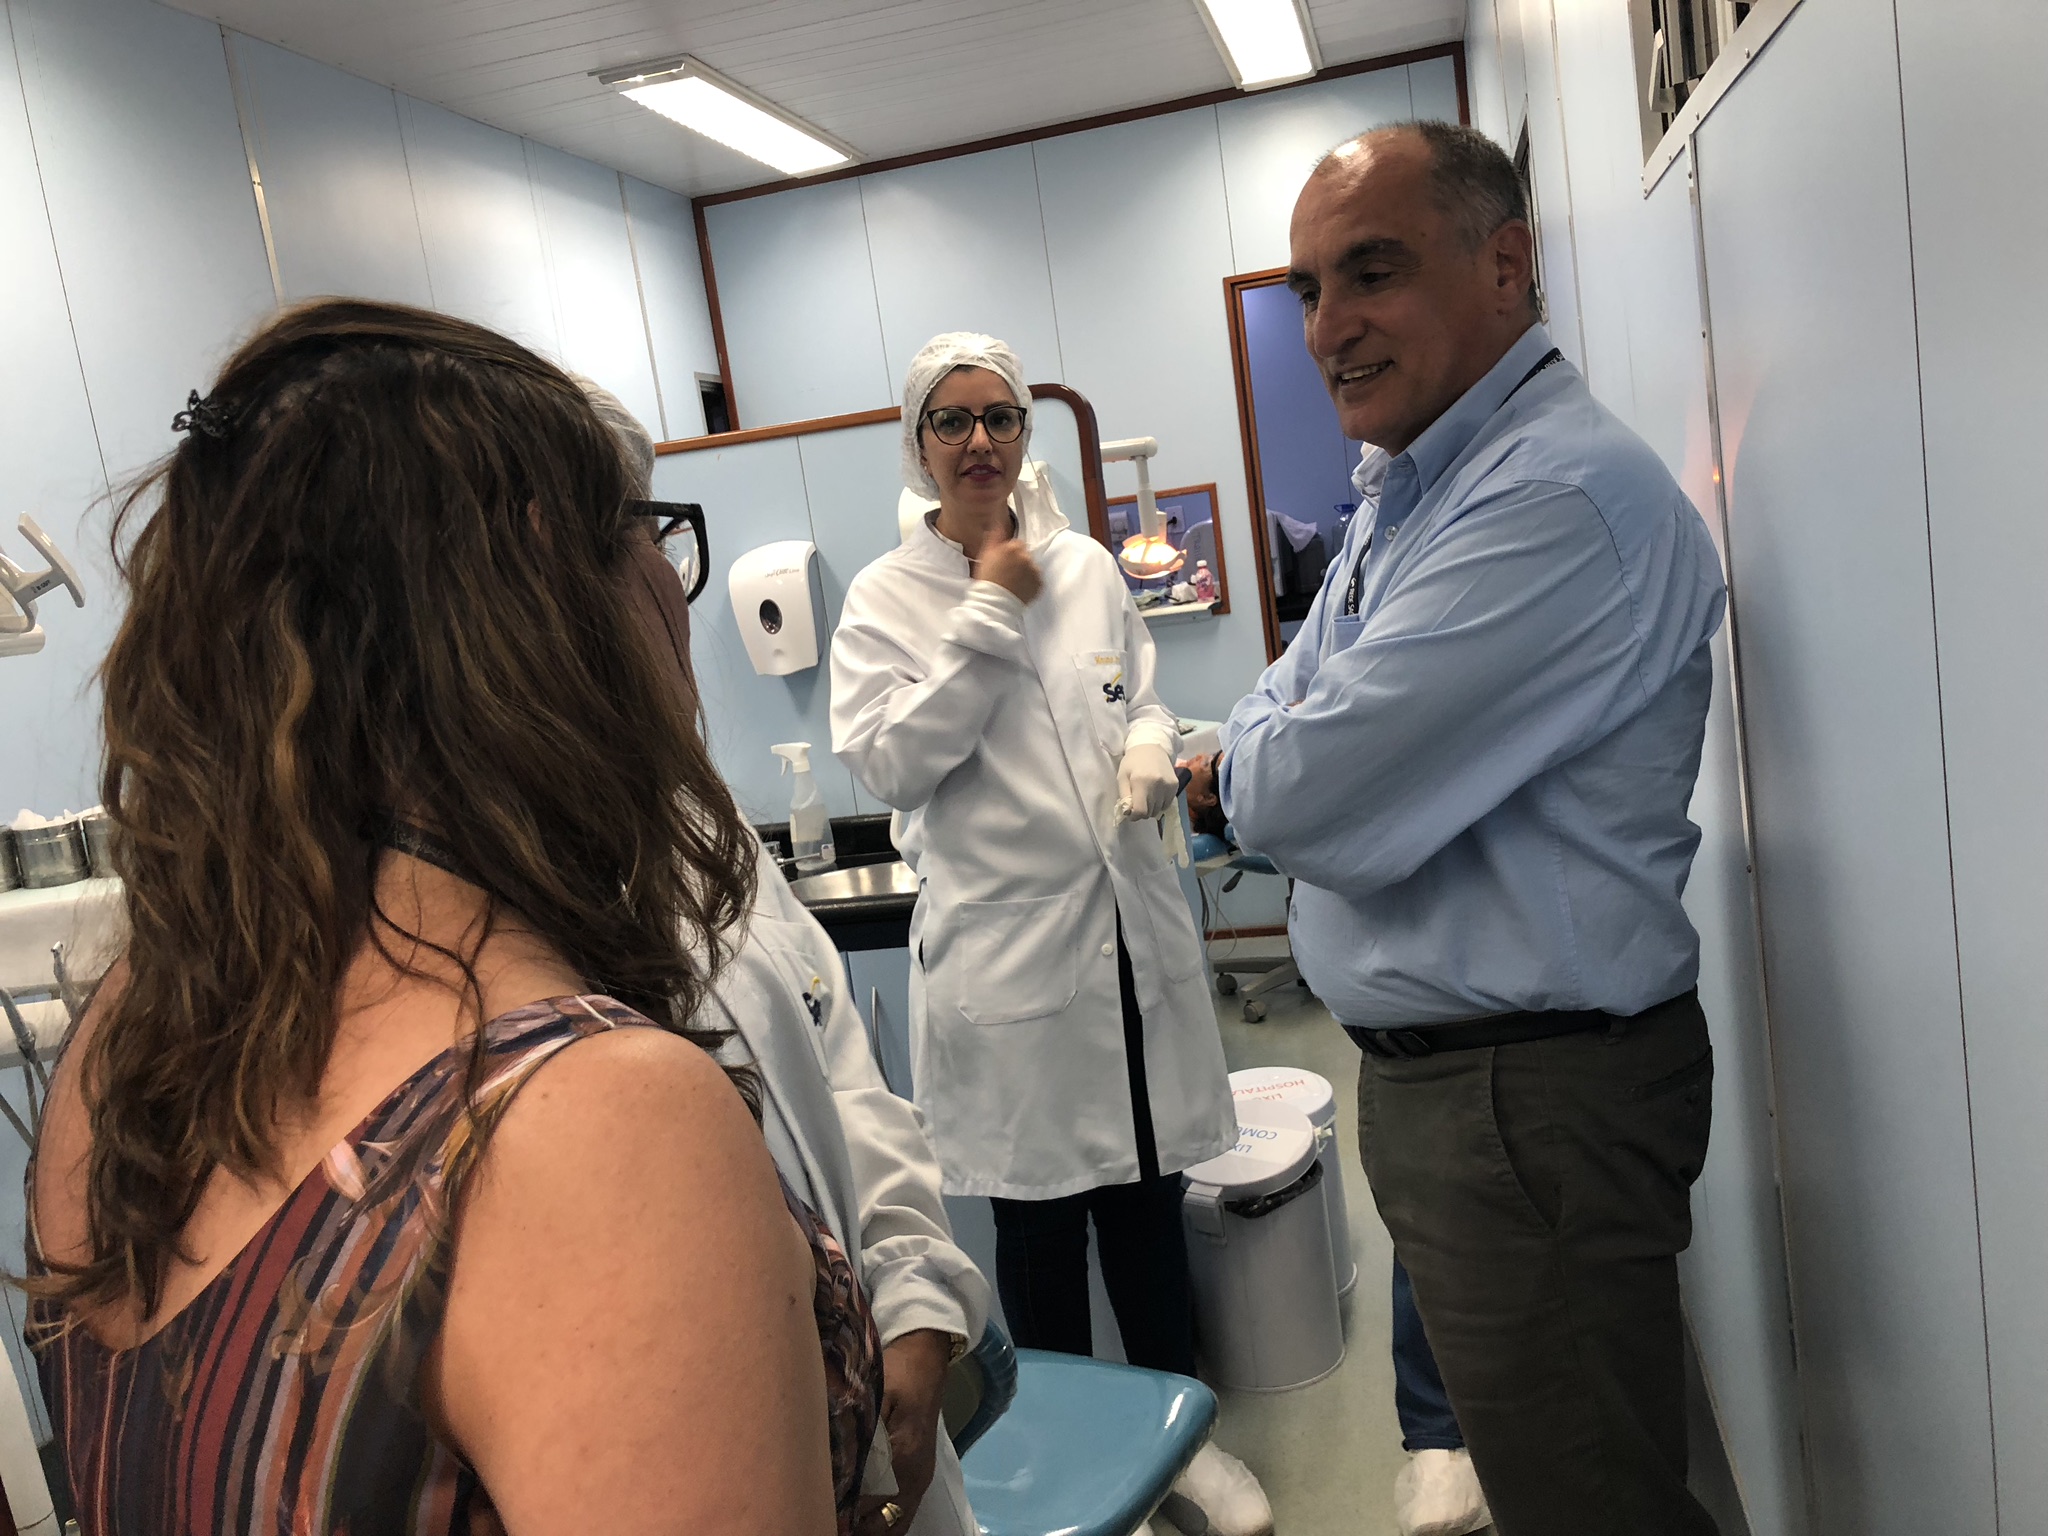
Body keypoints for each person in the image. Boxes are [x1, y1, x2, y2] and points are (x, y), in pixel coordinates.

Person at [26, 300, 875, 1536]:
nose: (671, 586)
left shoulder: (130, 1035)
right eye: (643, 533)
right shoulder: (591, 1124)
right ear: (542, 584)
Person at [1193, 122, 1728, 1535]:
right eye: (1308, 289)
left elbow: (1298, 792)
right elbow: (1283, 700)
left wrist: (1250, 762)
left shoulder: (1550, 498)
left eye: (1372, 272)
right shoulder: (1413, 489)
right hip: (1473, 1091)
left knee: (1586, 1501)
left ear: (1504, 265)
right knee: (1560, 1472)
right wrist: (1265, 744)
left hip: (1526, 1101)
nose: (1328, 328)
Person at [830, 333, 1270, 1536]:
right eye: (953, 420)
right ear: (918, 445)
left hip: (1129, 947)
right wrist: (987, 610)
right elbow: (893, 761)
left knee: (1147, 1212)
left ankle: (1185, 1444)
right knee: (1038, 1239)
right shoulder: (883, 603)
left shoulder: (1084, 565)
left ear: (1024, 432)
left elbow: (1137, 687)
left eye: (1001, 417)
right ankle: (1078, 1470)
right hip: (1010, 973)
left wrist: (1149, 742)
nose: (980, 440)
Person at [584, 380, 992, 1536]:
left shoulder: (693, 824)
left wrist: (912, 1295)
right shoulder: (494, 924)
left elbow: (840, 1070)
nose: (670, 583)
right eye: (642, 533)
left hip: (880, 1432)